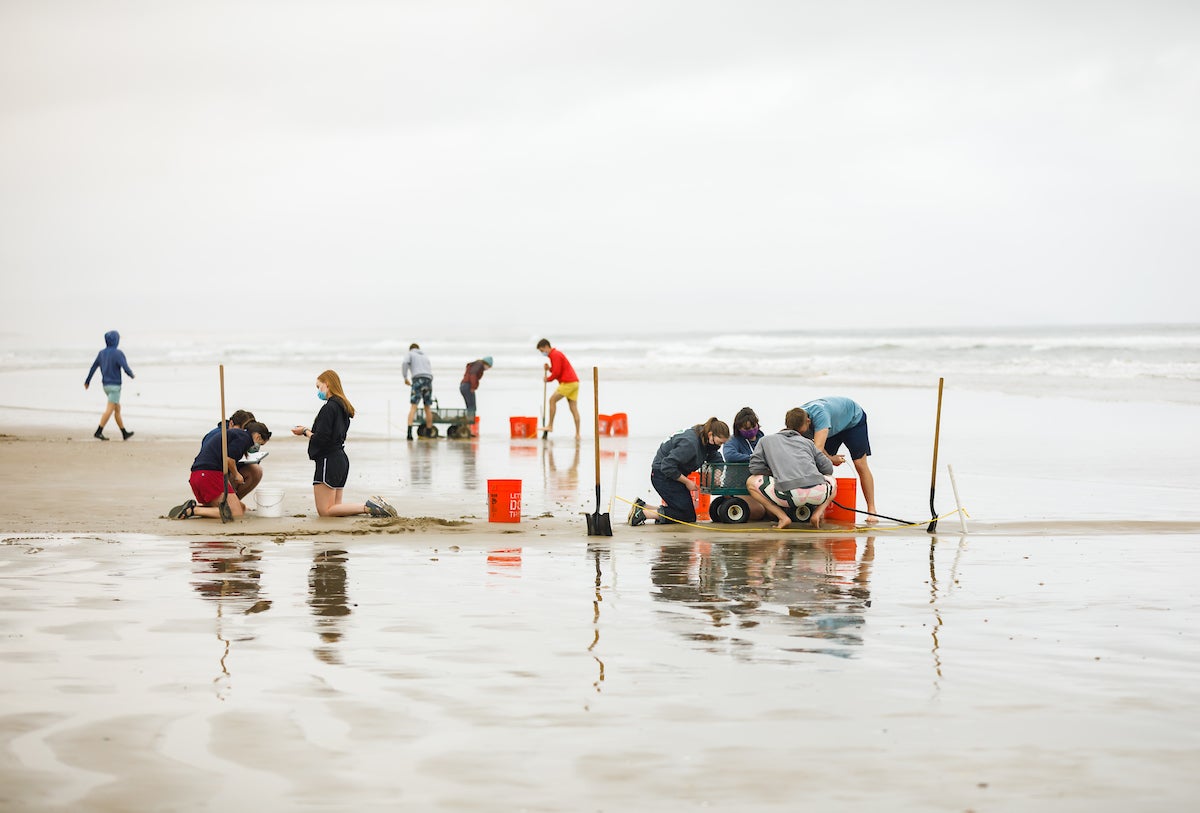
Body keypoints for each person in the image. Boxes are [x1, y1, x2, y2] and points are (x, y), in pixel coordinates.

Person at [291, 370, 398, 518]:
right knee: (335, 509)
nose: (318, 391)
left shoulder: (329, 408)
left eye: (318, 386)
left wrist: (304, 431)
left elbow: (320, 439)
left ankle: (369, 507)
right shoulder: (343, 407)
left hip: (328, 460)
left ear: (327, 384)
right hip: (340, 460)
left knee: (325, 512)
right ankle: (373, 506)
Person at [746, 407, 837, 529]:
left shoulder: (765, 440)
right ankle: (817, 514)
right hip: (818, 494)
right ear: (804, 425)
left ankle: (782, 517)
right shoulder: (808, 443)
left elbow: (755, 468)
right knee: (833, 481)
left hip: (787, 496)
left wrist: (773, 471)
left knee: (751, 482)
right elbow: (828, 469)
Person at [628, 418, 731, 526]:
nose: (719, 446)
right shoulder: (690, 444)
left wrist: (716, 475)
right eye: (719, 443)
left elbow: (717, 460)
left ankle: (642, 506)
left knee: (683, 510)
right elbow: (667, 466)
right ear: (710, 434)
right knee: (687, 516)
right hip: (662, 475)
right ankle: (643, 514)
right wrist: (687, 482)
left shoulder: (704, 439)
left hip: (673, 476)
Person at [169, 420, 272, 520]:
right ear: (257, 436)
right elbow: (229, 459)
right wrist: (236, 474)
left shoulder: (236, 434)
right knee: (236, 513)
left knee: (242, 508)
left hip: (197, 476)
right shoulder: (244, 438)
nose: (258, 447)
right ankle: (193, 510)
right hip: (209, 475)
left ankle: (190, 508)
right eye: (261, 443)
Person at [800, 396, 878, 524]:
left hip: (853, 420)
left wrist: (829, 458)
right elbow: (815, 448)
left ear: (808, 421)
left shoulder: (821, 417)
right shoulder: (797, 418)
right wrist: (830, 458)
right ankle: (817, 507)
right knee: (821, 465)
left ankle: (872, 510)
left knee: (860, 464)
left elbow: (818, 449)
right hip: (832, 427)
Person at [201, 409, 265, 500]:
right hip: (213, 472)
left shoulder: (246, 437)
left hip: (230, 469)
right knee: (229, 472)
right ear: (231, 423)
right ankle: (226, 502)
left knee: (255, 470)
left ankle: (234, 501)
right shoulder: (217, 435)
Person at [84, 329, 135, 441]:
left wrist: (87, 381)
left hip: (105, 386)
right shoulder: (118, 353)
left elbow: (93, 367)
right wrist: (131, 374)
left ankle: (124, 433)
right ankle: (99, 431)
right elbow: (125, 366)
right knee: (110, 409)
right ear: (116, 340)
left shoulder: (101, 353)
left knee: (117, 408)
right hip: (115, 387)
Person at [536, 339, 581, 440]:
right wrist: (549, 369)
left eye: (541, 350)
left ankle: (550, 425)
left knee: (552, 400)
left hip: (568, 383)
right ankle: (577, 434)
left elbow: (557, 373)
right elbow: (558, 369)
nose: (542, 353)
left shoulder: (554, 355)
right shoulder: (556, 354)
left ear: (546, 347)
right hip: (574, 383)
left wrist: (548, 379)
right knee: (573, 409)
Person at [402, 343, 435, 440]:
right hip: (428, 380)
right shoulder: (425, 355)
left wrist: (405, 377)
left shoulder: (410, 353)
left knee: (413, 407)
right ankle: (429, 432)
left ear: (411, 349)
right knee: (427, 407)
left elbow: (405, 363)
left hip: (417, 379)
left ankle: (409, 434)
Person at [459, 356, 492, 430]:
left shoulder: (476, 364)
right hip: (468, 386)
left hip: (463, 385)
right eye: (489, 367)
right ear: (487, 364)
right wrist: (473, 387)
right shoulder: (479, 365)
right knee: (472, 408)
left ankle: (467, 426)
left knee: (469, 407)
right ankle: (468, 427)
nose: (488, 369)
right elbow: (473, 375)